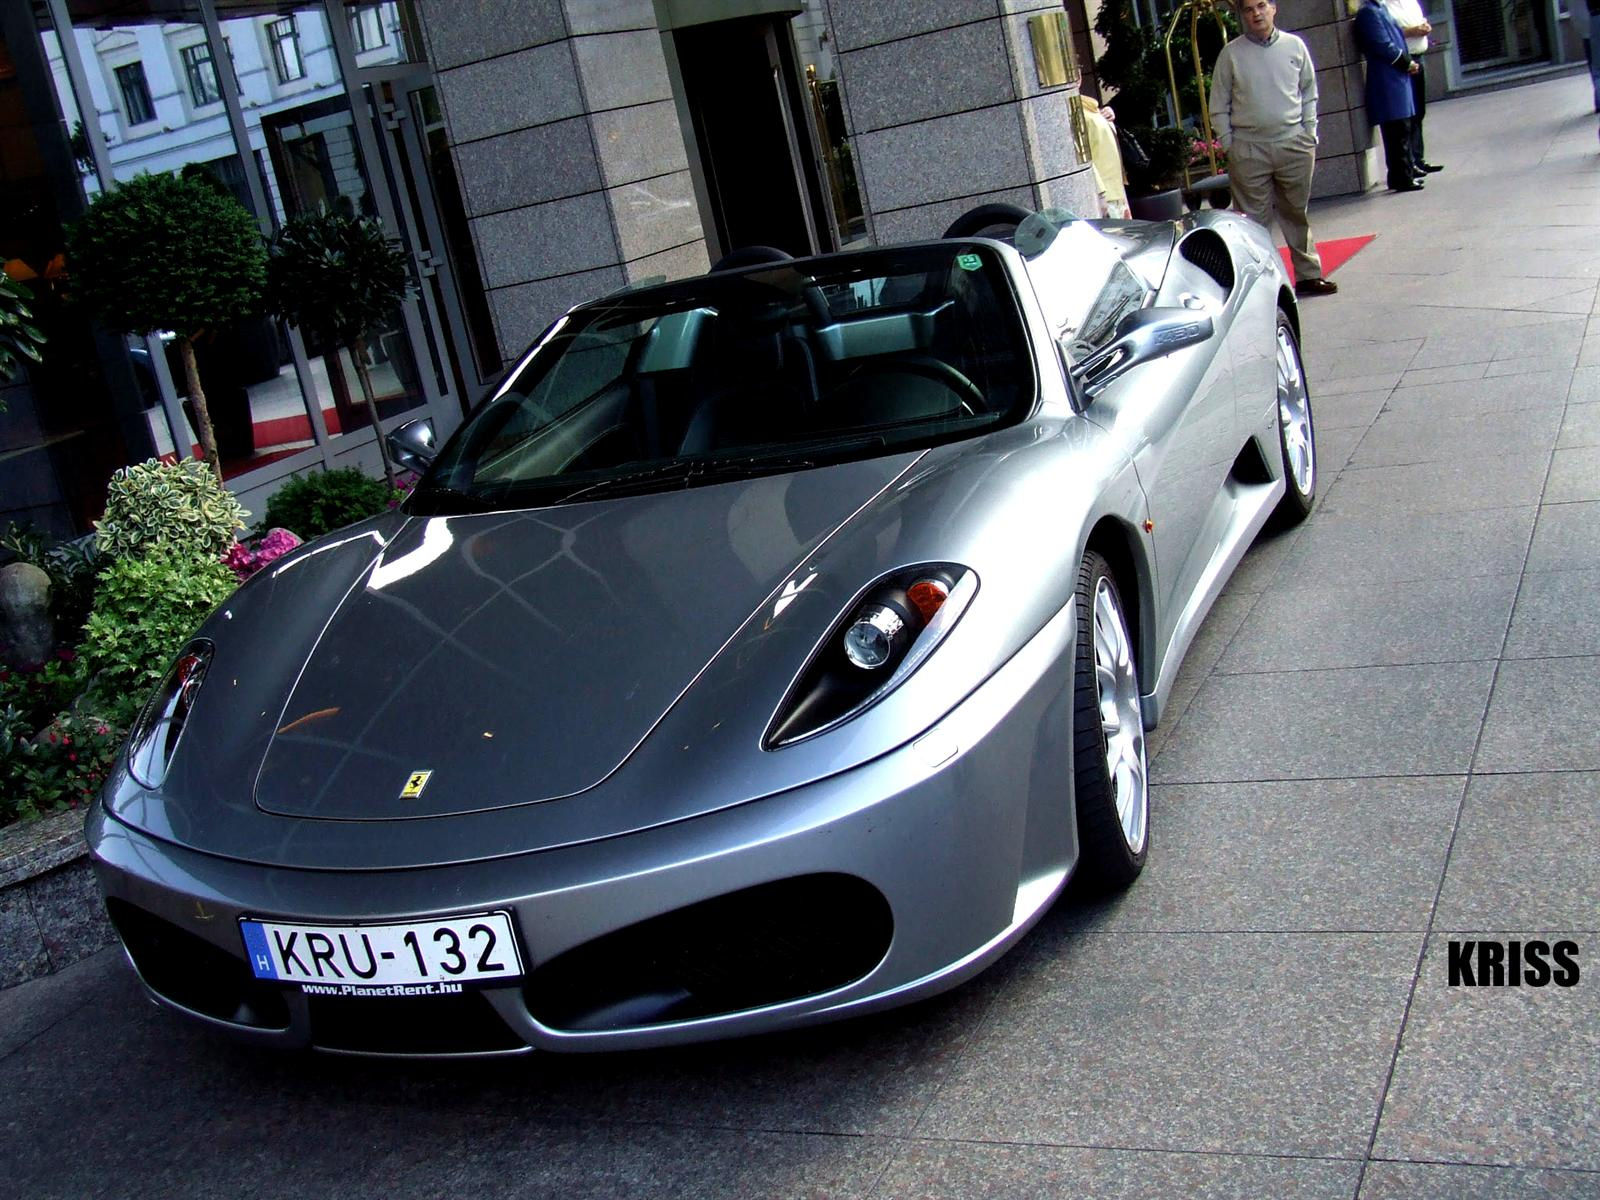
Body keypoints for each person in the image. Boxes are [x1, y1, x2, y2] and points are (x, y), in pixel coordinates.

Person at [1209, 0, 1337, 296]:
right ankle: (1263, 286)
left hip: (1294, 143)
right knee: (1253, 221)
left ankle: (1308, 275)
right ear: (1242, 15)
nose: (1256, 13)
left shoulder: (1295, 46)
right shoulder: (1231, 55)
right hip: (1249, 149)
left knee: (1296, 212)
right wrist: (1231, 145)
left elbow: (1309, 92)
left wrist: (1310, 133)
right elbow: (1219, 105)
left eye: (1261, 5)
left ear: (1273, 8)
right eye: (1248, 9)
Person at [1352, 0, 1422, 191]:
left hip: (1395, 77)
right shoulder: (1368, 13)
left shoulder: (1378, 9)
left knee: (1403, 129)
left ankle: (1405, 173)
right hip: (1387, 78)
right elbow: (1381, 44)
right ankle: (1402, 177)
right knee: (1397, 131)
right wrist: (1405, 62)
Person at [1380, 0, 1442, 173]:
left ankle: (1418, 158)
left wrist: (1425, 27)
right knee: (1407, 114)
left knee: (1419, 111)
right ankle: (1409, 162)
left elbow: (1420, 20)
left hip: (1419, 56)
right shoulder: (1385, 6)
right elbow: (1389, 33)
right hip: (1403, 61)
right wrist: (1413, 31)